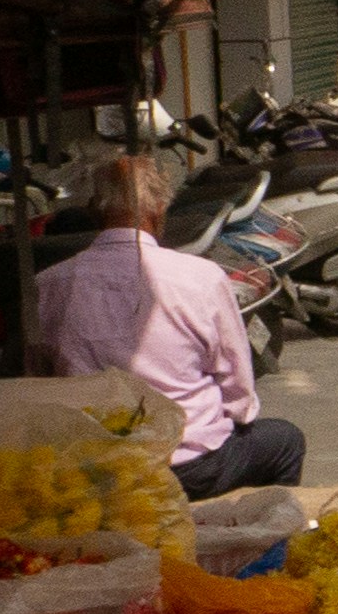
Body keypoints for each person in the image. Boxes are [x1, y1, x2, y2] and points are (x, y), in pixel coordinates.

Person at [34, 154, 304, 496]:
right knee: (285, 440)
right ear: (160, 209)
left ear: (93, 211)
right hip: (187, 468)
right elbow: (238, 390)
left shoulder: (49, 283)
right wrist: (234, 418)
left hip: (95, 470)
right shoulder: (202, 277)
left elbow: (41, 375)